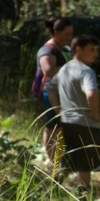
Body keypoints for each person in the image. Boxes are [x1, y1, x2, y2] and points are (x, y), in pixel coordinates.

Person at [45, 34, 100, 190]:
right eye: (91, 49)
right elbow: (91, 94)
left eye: (97, 50)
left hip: (67, 122)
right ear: (78, 49)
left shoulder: (65, 68)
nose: (95, 54)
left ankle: (51, 189)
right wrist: (96, 115)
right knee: (85, 164)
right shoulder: (87, 72)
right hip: (85, 123)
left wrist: (58, 110)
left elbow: (49, 88)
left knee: (70, 160)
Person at [33, 17, 73, 163]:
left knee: (62, 127)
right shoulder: (47, 50)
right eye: (66, 34)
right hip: (50, 93)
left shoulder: (65, 49)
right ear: (56, 32)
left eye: (70, 34)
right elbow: (48, 71)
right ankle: (51, 161)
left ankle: (59, 160)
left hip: (65, 93)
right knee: (53, 126)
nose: (69, 38)